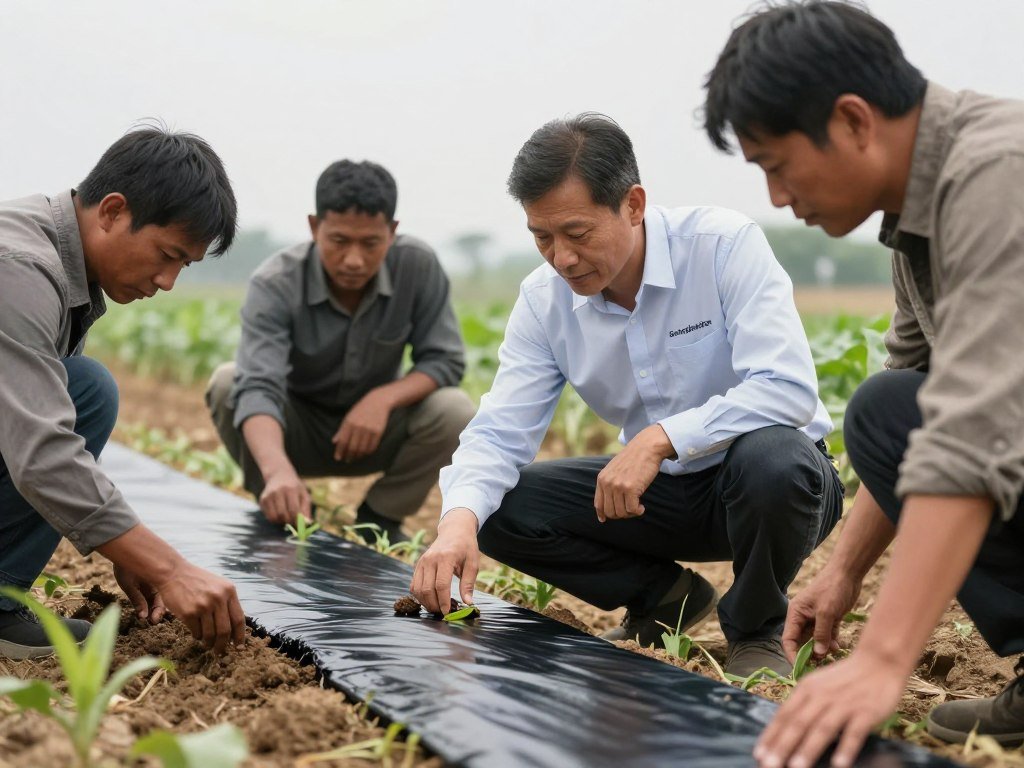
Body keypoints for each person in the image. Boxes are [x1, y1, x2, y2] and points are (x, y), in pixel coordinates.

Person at [703, 2, 1024, 765]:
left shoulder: (997, 174)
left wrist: (883, 660)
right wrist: (842, 573)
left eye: (776, 165)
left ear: (852, 121)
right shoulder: (917, 225)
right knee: (886, 409)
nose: (778, 198)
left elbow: (973, 430)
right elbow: (915, 399)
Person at [410, 113, 844, 677]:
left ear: (633, 205)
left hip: (777, 493)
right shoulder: (545, 302)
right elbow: (499, 431)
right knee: (495, 506)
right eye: (542, 237)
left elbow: (786, 388)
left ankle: (757, 628)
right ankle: (665, 597)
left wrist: (661, 440)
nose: (561, 257)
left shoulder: (721, 247)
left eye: (577, 233)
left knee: (774, 458)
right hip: (657, 498)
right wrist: (456, 523)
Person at [0, 127, 246, 659]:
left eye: (184, 265)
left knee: (80, 387)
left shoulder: (68, 267)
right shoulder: (19, 268)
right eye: (167, 254)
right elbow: (40, 452)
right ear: (111, 211)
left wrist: (126, 544)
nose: (168, 282)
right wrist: (168, 566)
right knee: (90, 389)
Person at [207, 160, 475, 542]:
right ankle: (289, 507)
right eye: (339, 241)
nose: (354, 259)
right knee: (226, 383)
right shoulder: (276, 282)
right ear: (315, 227)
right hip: (295, 430)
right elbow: (258, 386)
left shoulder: (418, 267)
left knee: (455, 409)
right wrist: (277, 470)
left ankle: (380, 517)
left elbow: (445, 360)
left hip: (375, 433)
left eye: (370, 243)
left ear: (392, 232)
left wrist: (382, 400)